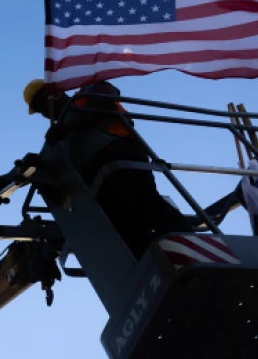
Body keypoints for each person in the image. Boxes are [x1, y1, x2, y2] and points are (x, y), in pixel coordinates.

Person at [23, 79, 193, 260]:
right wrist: (35, 162)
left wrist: (66, 127)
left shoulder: (85, 93)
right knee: (127, 232)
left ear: (54, 94)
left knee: (145, 205)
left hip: (121, 157)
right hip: (100, 182)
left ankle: (196, 251)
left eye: (43, 105)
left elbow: (105, 94)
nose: (44, 113)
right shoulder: (61, 137)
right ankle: (160, 272)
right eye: (40, 111)